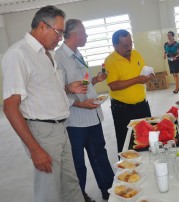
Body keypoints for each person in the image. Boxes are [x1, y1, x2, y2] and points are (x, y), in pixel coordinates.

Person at [1, 6, 87, 202]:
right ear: (42, 26)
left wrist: (67, 88)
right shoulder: (19, 54)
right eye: (59, 32)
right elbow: (10, 106)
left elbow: (41, 89)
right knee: (49, 191)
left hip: (61, 129)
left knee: (71, 184)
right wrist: (34, 149)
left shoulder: (49, 54)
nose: (60, 38)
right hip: (42, 132)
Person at [55, 19, 114, 201]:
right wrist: (81, 104)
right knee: (77, 164)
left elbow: (83, 82)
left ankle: (109, 190)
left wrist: (95, 80)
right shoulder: (58, 58)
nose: (87, 36)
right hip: (75, 122)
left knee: (99, 154)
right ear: (75, 35)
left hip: (92, 115)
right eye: (84, 33)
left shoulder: (77, 53)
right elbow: (58, 90)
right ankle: (79, 195)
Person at [104, 29, 152, 153]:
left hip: (142, 106)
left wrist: (145, 78)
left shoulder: (137, 54)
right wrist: (137, 79)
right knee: (126, 142)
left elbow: (142, 73)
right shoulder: (110, 61)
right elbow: (113, 85)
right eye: (125, 45)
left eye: (131, 43)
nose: (129, 47)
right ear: (115, 45)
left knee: (148, 138)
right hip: (122, 110)